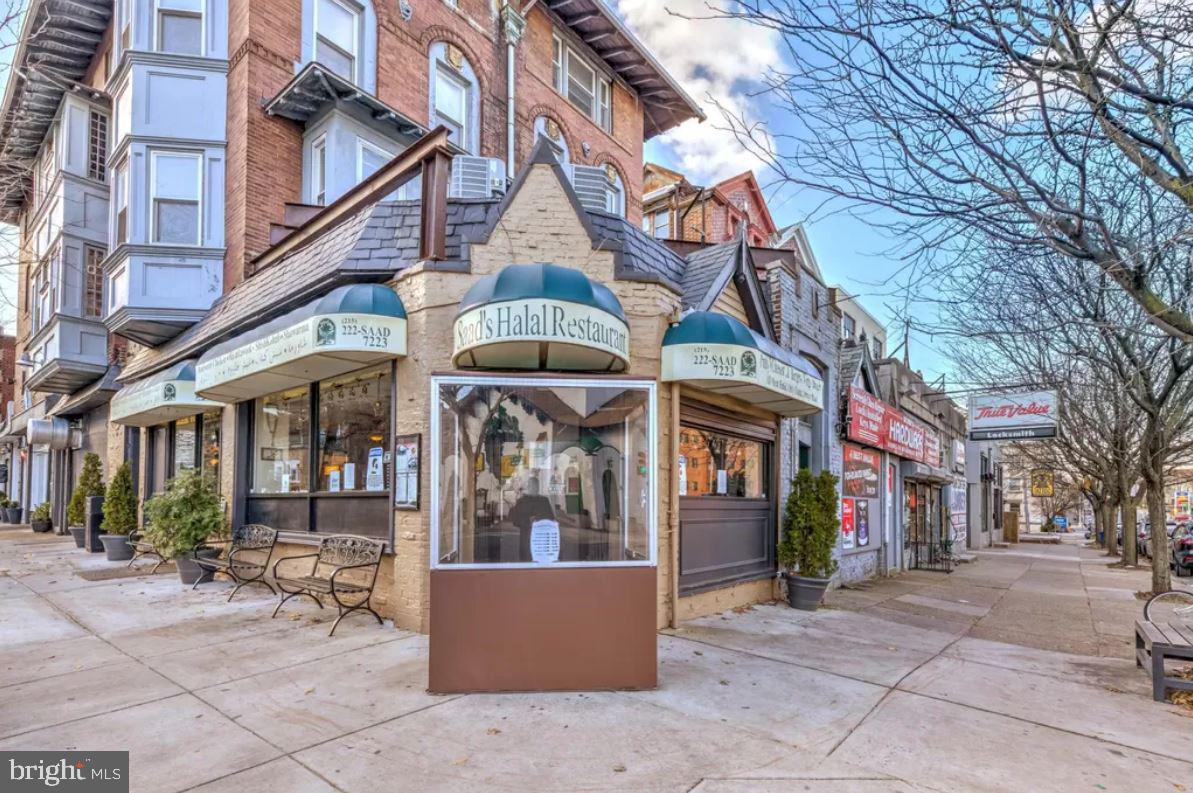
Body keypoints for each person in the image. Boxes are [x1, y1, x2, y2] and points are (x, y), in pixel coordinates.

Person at [510, 477, 555, 560]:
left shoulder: (544, 500)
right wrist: (528, 520)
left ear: (538, 487)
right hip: (526, 537)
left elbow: (550, 518)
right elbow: (515, 521)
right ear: (528, 487)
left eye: (536, 486)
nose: (534, 488)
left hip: (541, 539)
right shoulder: (521, 501)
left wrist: (539, 519)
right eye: (532, 486)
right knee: (526, 560)